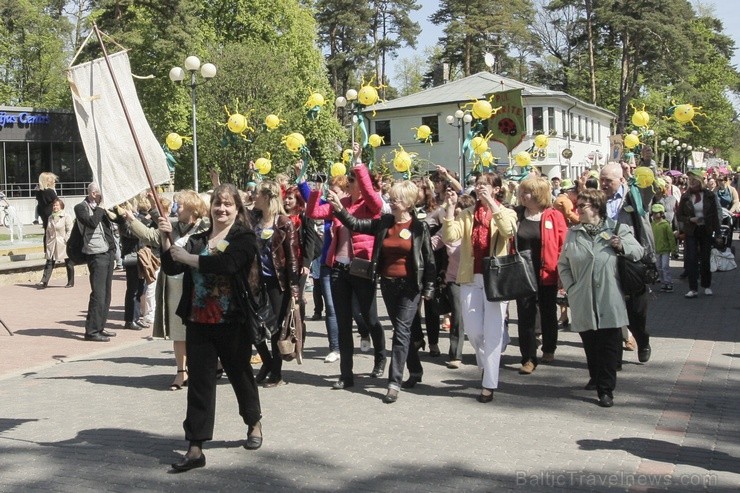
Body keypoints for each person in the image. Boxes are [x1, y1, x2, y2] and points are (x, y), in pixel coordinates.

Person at [160, 183, 263, 472]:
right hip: (198, 320)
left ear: (237, 208)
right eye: (218, 203)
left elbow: (227, 265)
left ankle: (253, 422)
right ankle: (195, 446)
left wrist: (188, 258)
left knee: (240, 375)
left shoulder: (244, 237)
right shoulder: (200, 238)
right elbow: (172, 267)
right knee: (200, 385)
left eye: (228, 204)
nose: (222, 209)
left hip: (233, 321)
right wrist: (166, 238)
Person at [328, 180, 436, 403]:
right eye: (392, 198)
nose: (392, 202)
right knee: (401, 330)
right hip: (388, 284)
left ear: (407, 203)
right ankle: (415, 369)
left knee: (401, 332)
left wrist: (429, 288)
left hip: (410, 286)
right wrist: (339, 208)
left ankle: (393, 382)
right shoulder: (384, 222)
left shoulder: (419, 227)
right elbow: (356, 224)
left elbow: (429, 261)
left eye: (396, 199)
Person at [306, 144, 386, 389]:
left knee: (370, 318)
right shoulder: (340, 204)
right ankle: (346, 374)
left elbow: (373, 198)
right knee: (343, 322)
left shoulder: (371, 207)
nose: (350, 183)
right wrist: (315, 191)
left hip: (362, 268)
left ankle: (380, 357)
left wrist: (358, 163)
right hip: (339, 269)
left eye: (354, 180)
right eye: (350, 179)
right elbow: (314, 213)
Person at [558, 189, 643, 407]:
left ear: (596, 207)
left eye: (582, 206)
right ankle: (595, 376)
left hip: (610, 296)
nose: (577, 210)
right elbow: (563, 265)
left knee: (609, 345)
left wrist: (621, 245)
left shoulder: (617, 228)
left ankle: (606, 390)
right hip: (583, 296)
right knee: (590, 342)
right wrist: (571, 287)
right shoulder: (573, 233)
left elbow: (638, 251)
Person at [119, 190, 209, 390]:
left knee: (197, 331)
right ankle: (181, 371)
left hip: (197, 286)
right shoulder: (173, 226)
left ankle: (200, 368)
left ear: (193, 207)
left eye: (181, 204)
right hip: (173, 285)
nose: (177, 207)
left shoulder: (205, 226)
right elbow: (150, 236)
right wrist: (132, 219)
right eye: (176, 204)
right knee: (178, 331)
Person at [441, 173, 517, 403]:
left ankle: (488, 384)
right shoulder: (468, 213)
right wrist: (450, 209)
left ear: (496, 189)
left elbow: (508, 231)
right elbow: (450, 235)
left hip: (495, 278)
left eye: (485, 184)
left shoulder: (506, 211)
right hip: (470, 276)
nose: (480, 187)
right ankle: (489, 363)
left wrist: (492, 204)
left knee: (491, 333)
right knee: (474, 331)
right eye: (478, 184)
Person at [600, 163, 655, 364]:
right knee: (612, 310)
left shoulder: (634, 196)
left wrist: (638, 171)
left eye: (608, 180)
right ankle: (615, 358)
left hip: (633, 258)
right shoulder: (599, 199)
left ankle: (642, 338)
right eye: (601, 180)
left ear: (621, 180)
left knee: (636, 311)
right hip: (607, 258)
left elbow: (648, 192)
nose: (604, 184)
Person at [250, 181, 301, 388]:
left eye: (257, 194)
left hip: (277, 283)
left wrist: (295, 289)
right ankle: (268, 363)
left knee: (276, 328)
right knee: (253, 326)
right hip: (255, 280)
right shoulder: (254, 219)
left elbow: (292, 258)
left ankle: (277, 373)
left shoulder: (284, 222)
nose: (254, 196)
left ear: (267, 197)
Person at [514, 177, 567, 371]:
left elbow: (563, 245)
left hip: (547, 272)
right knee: (525, 315)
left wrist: (563, 271)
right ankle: (528, 358)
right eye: (521, 191)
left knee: (547, 313)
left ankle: (549, 347)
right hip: (522, 273)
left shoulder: (554, 216)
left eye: (526, 192)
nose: (522, 195)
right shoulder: (517, 214)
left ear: (538, 194)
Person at [74, 183, 116, 342]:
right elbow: (91, 222)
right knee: (98, 294)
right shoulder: (80, 207)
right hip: (95, 254)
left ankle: (100, 327)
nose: (102, 198)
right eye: (100, 194)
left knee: (106, 294)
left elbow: (117, 221)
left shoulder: (102, 208)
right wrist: (101, 207)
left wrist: (116, 210)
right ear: (93, 194)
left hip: (109, 252)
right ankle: (91, 331)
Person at [676, 170, 722, 298]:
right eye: (690, 181)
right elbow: (679, 215)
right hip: (691, 230)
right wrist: (690, 219)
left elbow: (714, 216)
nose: (692, 183)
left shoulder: (709, 195)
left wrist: (718, 233)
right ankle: (693, 288)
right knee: (691, 259)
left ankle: (706, 285)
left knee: (705, 258)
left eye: (695, 181)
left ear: (701, 181)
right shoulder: (685, 196)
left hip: (705, 230)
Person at [39, 198, 74, 288]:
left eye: (57, 205)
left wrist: (65, 240)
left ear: (61, 206)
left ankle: (70, 281)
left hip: (63, 243)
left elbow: (70, 230)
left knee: (68, 262)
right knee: (49, 261)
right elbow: (47, 231)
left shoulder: (66, 216)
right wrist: (47, 242)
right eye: (54, 205)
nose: (55, 207)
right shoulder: (50, 217)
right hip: (52, 243)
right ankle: (44, 281)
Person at [650, 204, 677, 293]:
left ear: (661, 213)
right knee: (658, 267)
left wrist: (673, 249)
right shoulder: (652, 224)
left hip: (665, 249)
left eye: (656, 213)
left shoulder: (666, 225)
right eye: (653, 213)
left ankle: (668, 282)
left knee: (665, 266)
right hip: (656, 249)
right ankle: (663, 283)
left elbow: (671, 238)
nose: (654, 214)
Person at [35, 172, 59, 252]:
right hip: (51, 213)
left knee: (46, 232)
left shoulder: (39, 192)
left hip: (43, 213)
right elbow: (57, 201)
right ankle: (54, 250)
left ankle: (47, 250)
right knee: (54, 232)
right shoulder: (50, 191)